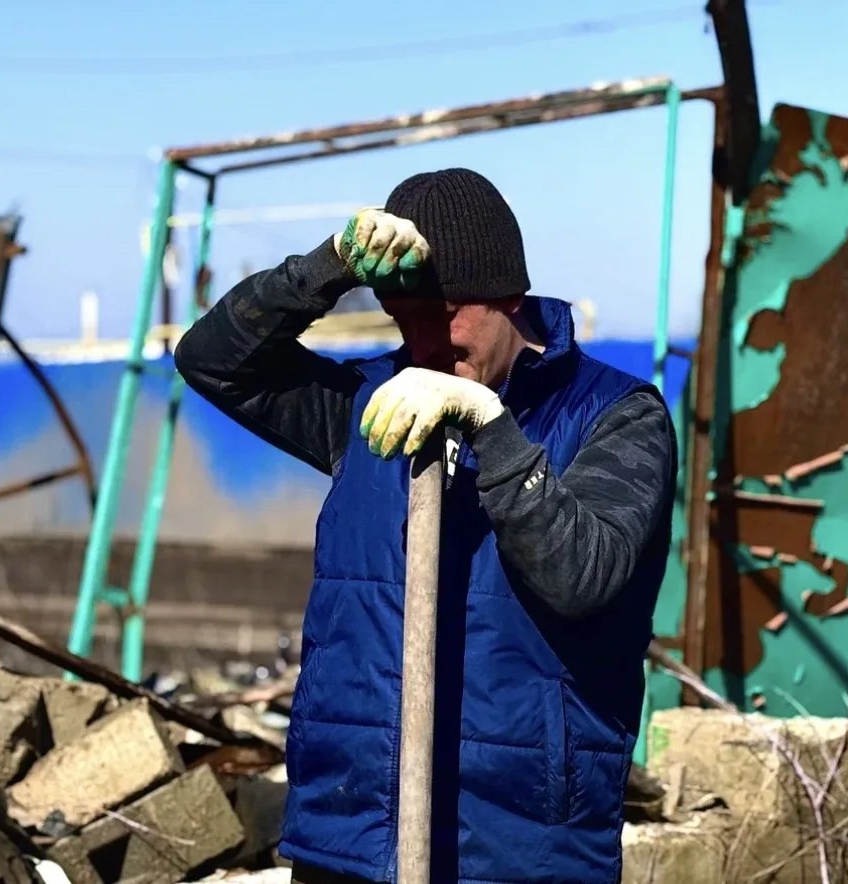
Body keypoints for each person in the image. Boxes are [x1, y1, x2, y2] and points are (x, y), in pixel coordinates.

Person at [174, 168, 677, 884]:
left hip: (516, 847)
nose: (422, 341)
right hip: (350, 833)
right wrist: (327, 268)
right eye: (400, 315)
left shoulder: (616, 416)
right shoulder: (373, 404)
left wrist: (493, 432)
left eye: (442, 314)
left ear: (507, 295)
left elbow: (580, 577)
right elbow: (213, 361)